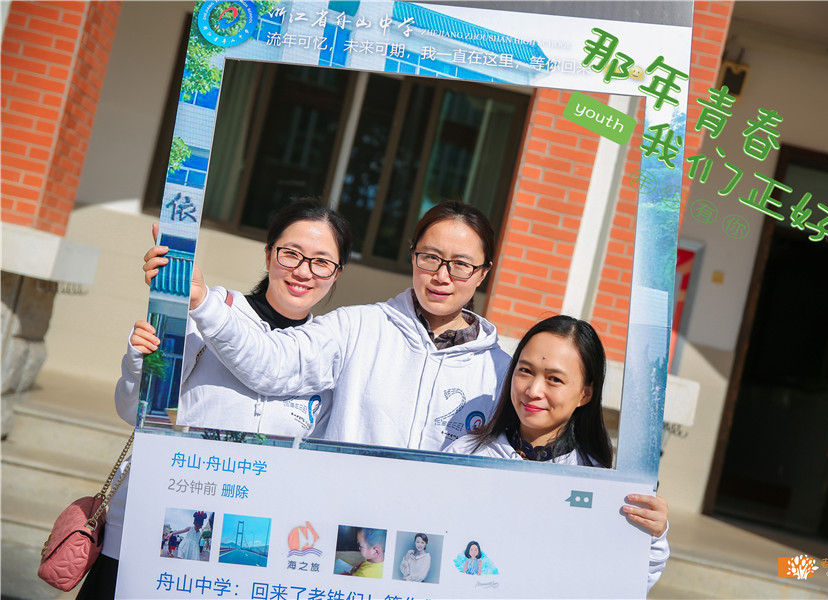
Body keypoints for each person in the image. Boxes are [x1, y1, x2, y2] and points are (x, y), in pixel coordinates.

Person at [76, 200, 352, 600]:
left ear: (337, 273)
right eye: (290, 253)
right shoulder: (206, 308)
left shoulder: (327, 352)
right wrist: (140, 361)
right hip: (148, 533)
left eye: (322, 262)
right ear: (268, 254)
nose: (303, 271)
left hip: (238, 567)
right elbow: (134, 410)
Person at [187, 201, 510, 451]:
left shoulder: (500, 372)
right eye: (430, 257)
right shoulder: (355, 328)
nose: (441, 275)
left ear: (483, 273)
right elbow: (272, 364)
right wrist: (203, 303)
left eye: (461, 265)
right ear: (413, 255)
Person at [445, 315, 670, 592]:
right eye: (525, 371)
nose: (533, 390)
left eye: (554, 379)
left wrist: (653, 535)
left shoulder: (600, 483)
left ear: (585, 394)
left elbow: (624, 582)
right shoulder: (463, 456)